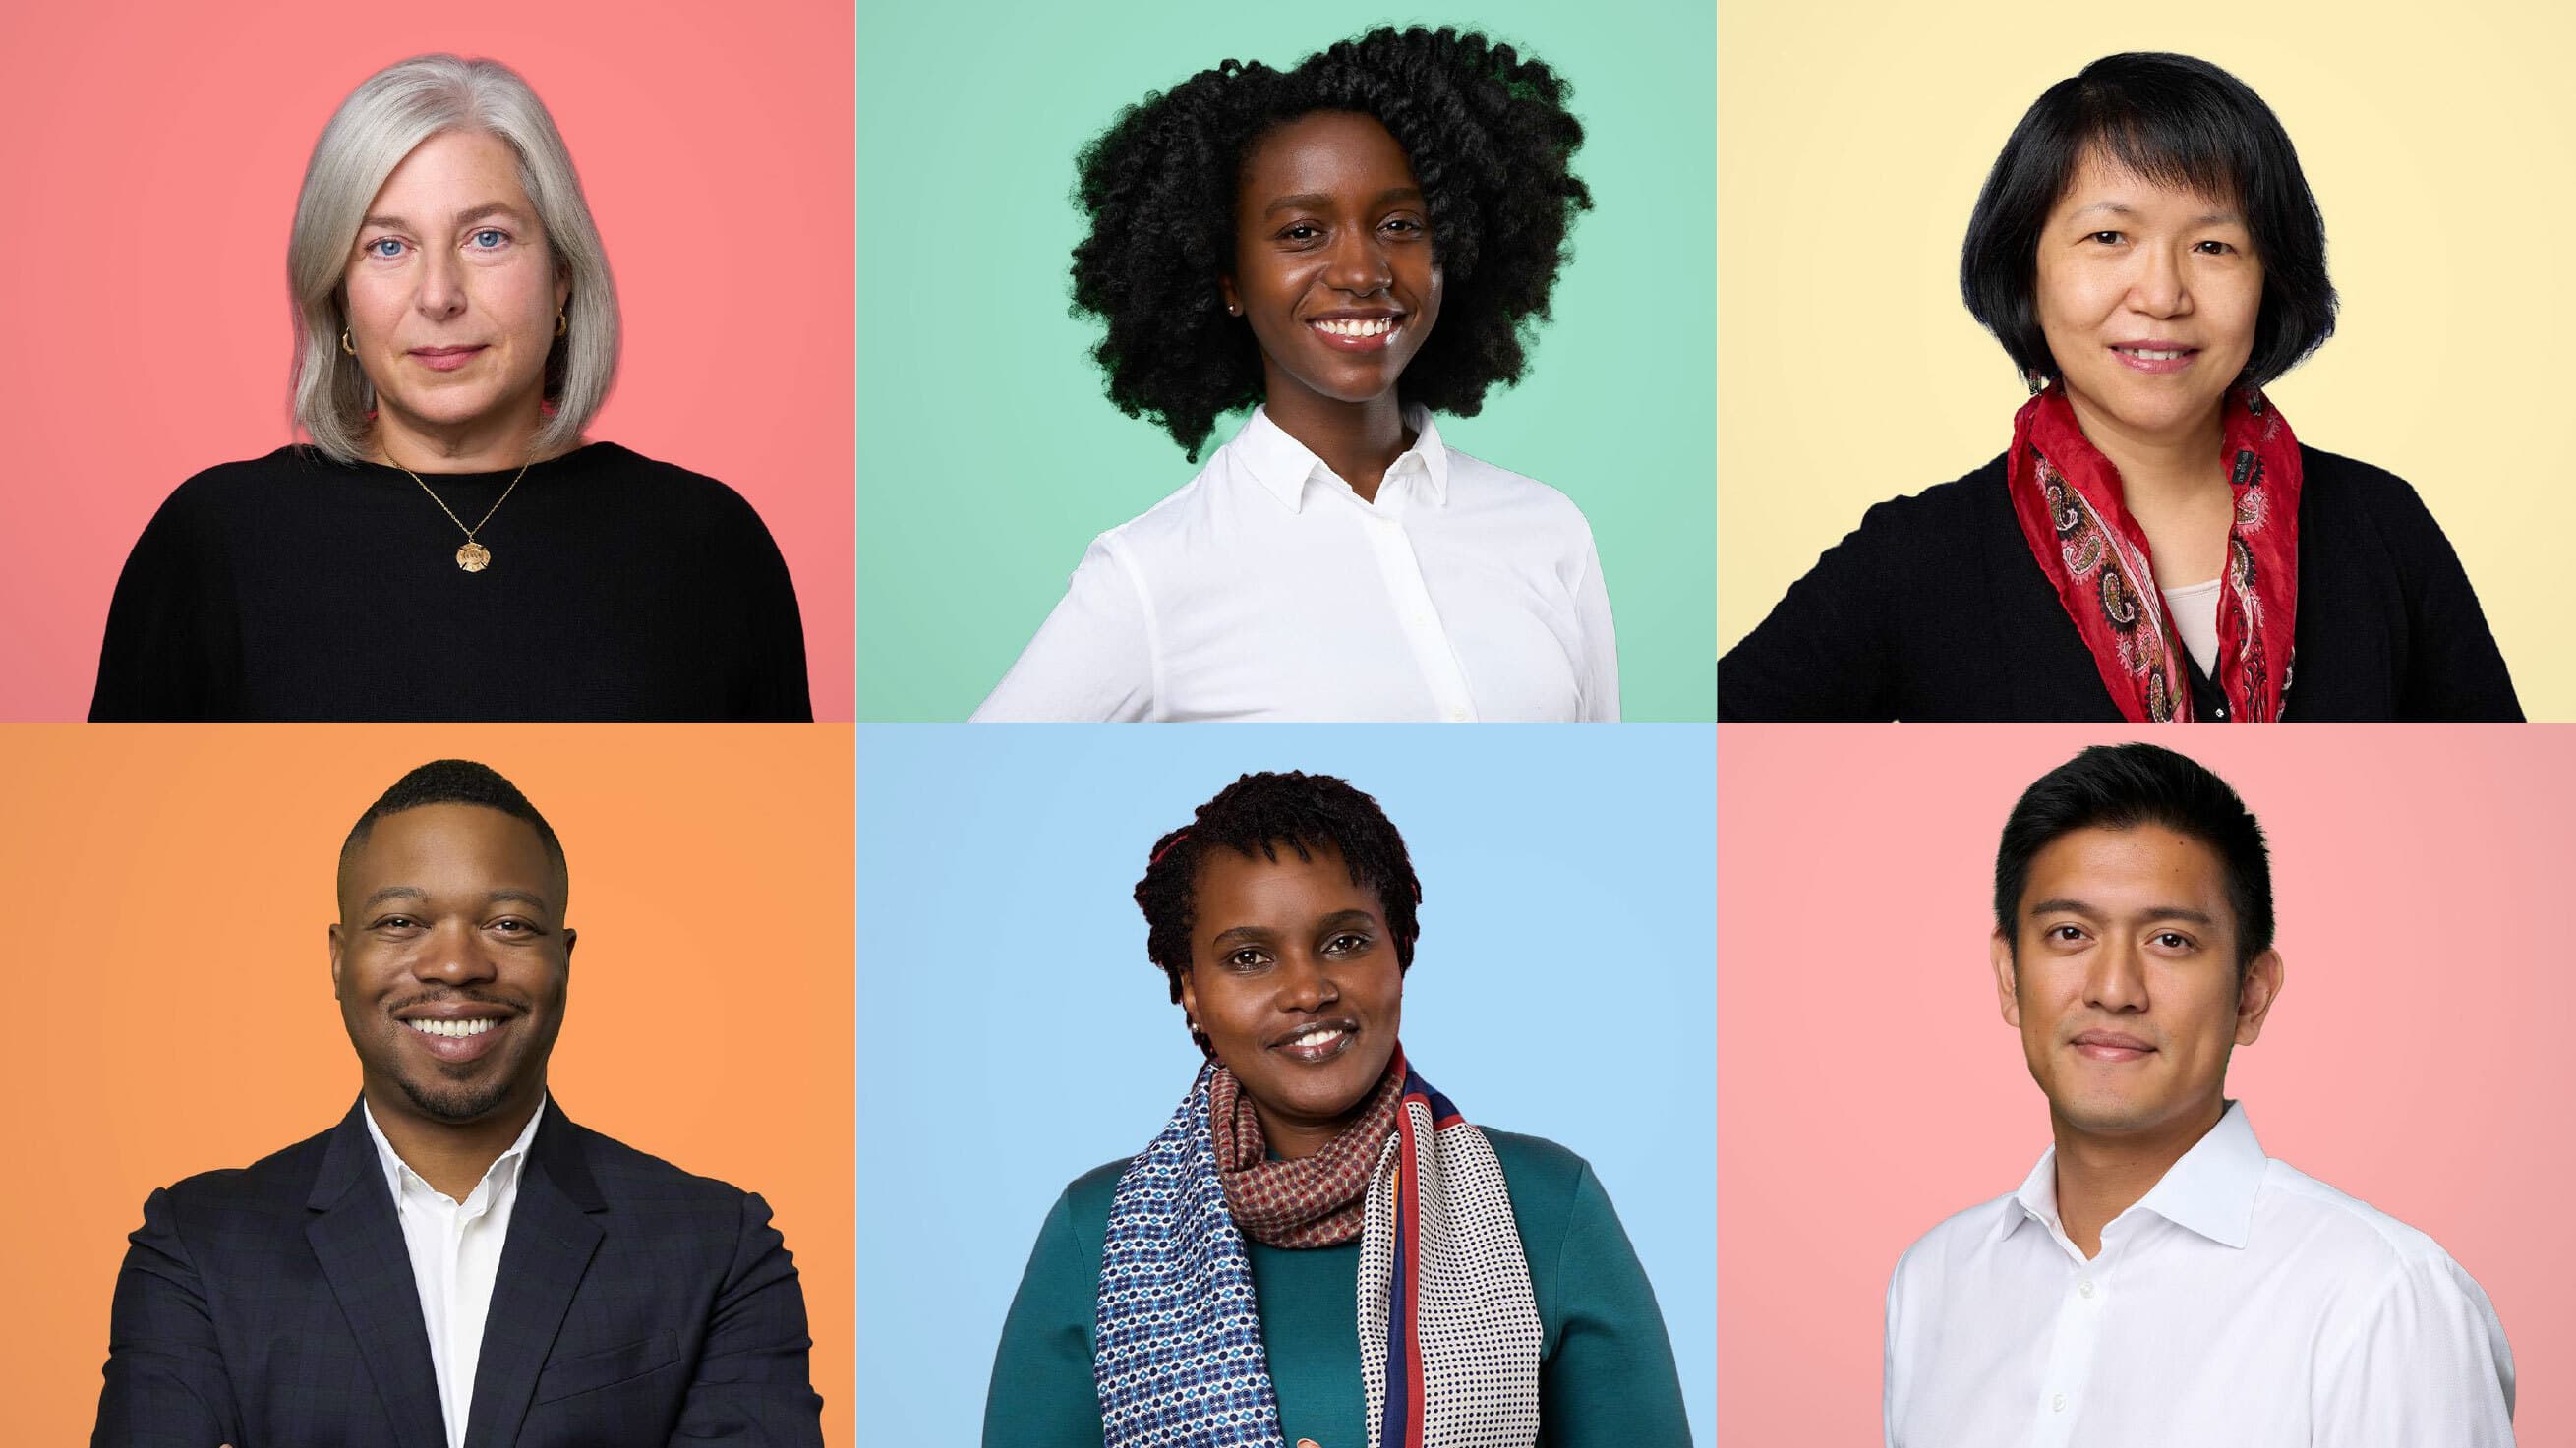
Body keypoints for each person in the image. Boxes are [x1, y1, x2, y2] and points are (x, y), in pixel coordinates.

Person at [1721, 53, 2518, 723]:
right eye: (2109, 237)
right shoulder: (1918, 560)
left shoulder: (2381, 527)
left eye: (2214, 244)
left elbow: (2516, 826)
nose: (2163, 294)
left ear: (2271, 277)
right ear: (2026, 267)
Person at [91, 760, 824, 1447]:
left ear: (564, 957)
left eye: (508, 924)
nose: (456, 964)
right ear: (340, 960)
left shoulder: (717, 1247)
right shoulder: (199, 1246)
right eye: (403, 922)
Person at [88, 54, 810, 721]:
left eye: (486, 237)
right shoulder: (211, 544)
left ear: (561, 277)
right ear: (338, 296)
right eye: (388, 246)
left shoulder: (708, 545)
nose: (438, 296)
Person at [983, 772, 1687, 1445]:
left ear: (1400, 950)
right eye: (1250, 957)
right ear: (1191, 989)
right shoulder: (1096, 1232)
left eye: (1345, 941)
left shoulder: (1547, 1204)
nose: (1307, 988)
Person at [972, 28, 1616, 723]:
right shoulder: (1151, 577)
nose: (1362, 273)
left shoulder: (1549, 532)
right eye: (1303, 233)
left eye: (1401, 224)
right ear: (1229, 282)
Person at [1883, 743, 2513, 1445]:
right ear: (2008, 975)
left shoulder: (2382, 1299)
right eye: (2069, 933)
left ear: (2251, 993)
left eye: (2171, 940)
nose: (2114, 988)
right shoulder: (1933, 1281)